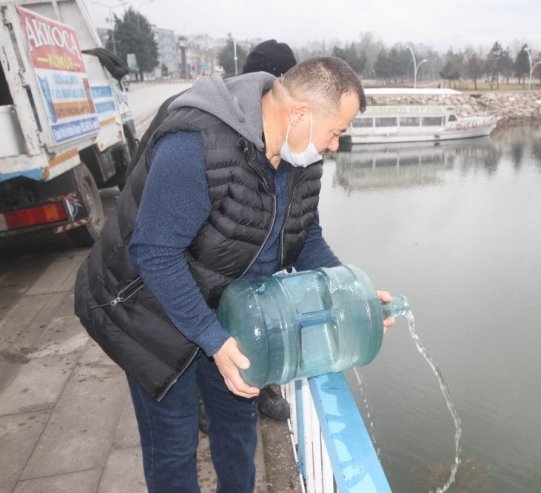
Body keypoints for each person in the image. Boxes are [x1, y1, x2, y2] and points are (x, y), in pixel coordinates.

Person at [74, 56, 395, 492]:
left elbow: (306, 239)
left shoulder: (303, 157)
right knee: (173, 445)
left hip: (227, 305)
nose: (336, 145)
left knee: (238, 429)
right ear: (299, 113)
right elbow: (153, 252)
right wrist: (215, 341)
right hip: (148, 311)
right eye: (335, 132)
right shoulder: (197, 143)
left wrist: (349, 295)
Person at [129, 39, 298, 423]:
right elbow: (150, 239)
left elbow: (282, 227)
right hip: (158, 296)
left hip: (219, 291)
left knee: (234, 407)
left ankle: (238, 390)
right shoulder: (196, 125)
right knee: (174, 439)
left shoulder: (281, 140)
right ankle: (202, 396)